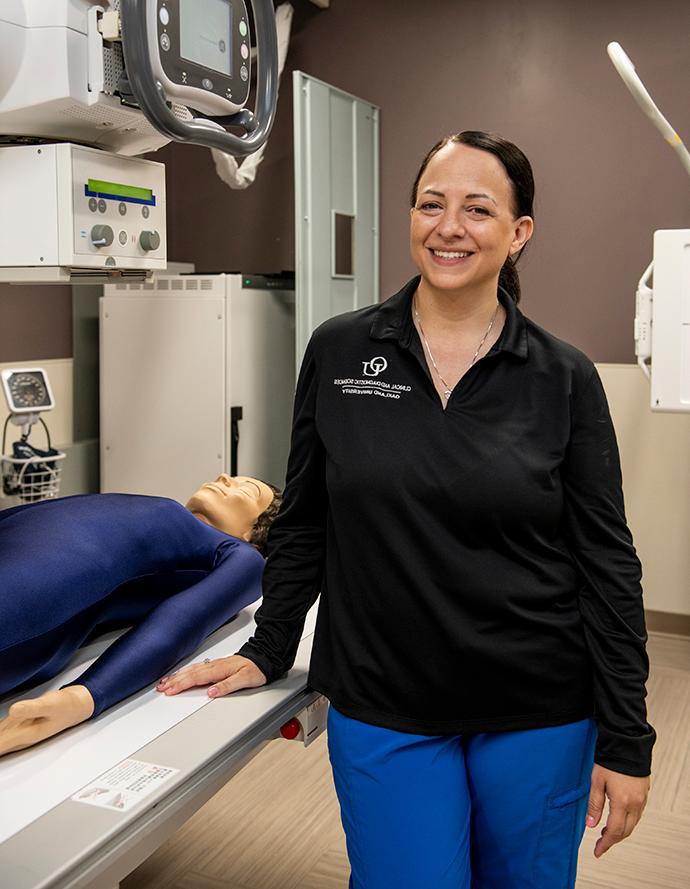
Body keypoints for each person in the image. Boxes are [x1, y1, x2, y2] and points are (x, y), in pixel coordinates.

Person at [158, 131, 655, 889]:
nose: (449, 227)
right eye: (431, 204)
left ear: (519, 232)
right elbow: (306, 519)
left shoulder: (563, 377)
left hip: (538, 708)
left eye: (478, 209)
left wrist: (626, 736)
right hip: (384, 697)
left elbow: (606, 560)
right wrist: (269, 645)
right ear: (411, 217)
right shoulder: (341, 351)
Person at [0, 474, 280, 756]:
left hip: (24, 596)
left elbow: (181, 621)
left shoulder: (242, 557)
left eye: (247, 489)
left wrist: (84, 696)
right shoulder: (161, 509)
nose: (223, 477)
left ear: (253, 535)